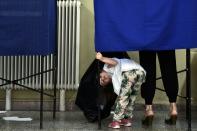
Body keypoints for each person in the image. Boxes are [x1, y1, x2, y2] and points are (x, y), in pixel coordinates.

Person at [96, 52, 146, 129]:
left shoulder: (106, 67)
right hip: (141, 73)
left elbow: (115, 62)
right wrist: (103, 83)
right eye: (103, 81)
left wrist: (102, 58)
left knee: (123, 97)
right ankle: (126, 119)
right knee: (131, 98)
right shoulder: (114, 76)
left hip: (129, 72)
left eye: (101, 77)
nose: (102, 79)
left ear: (100, 72)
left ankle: (116, 121)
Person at [139, 50, 179, 126]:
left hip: (147, 38)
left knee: (147, 65)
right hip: (165, 37)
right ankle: (173, 108)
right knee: (169, 65)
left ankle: (149, 109)